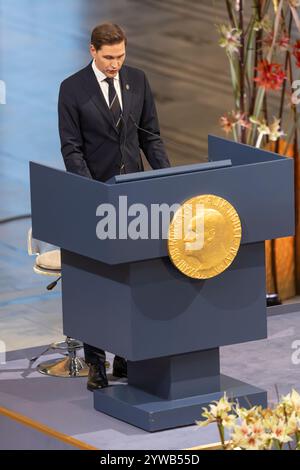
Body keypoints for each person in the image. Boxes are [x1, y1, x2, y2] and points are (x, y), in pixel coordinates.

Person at [58, 23, 170, 391]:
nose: (115, 64)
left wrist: (166, 178)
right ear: (92, 51)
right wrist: (91, 192)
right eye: (108, 57)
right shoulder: (72, 90)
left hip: (135, 199)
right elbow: (71, 148)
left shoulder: (136, 80)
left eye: (121, 56)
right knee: (98, 283)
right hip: (96, 199)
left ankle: (124, 356)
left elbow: (149, 135)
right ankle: (96, 362)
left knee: (131, 278)